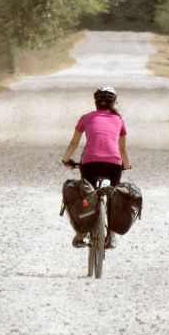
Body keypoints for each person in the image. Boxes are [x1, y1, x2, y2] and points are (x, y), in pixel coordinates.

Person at [61, 86, 131, 249]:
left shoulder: (86, 118)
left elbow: (74, 142)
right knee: (113, 195)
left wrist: (66, 159)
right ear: (113, 103)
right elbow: (122, 150)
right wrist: (126, 165)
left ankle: (81, 233)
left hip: (90, 165)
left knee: (86, 194)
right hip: (113, 166)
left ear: (96, 103)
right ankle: (111, 236)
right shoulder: (119, 120)